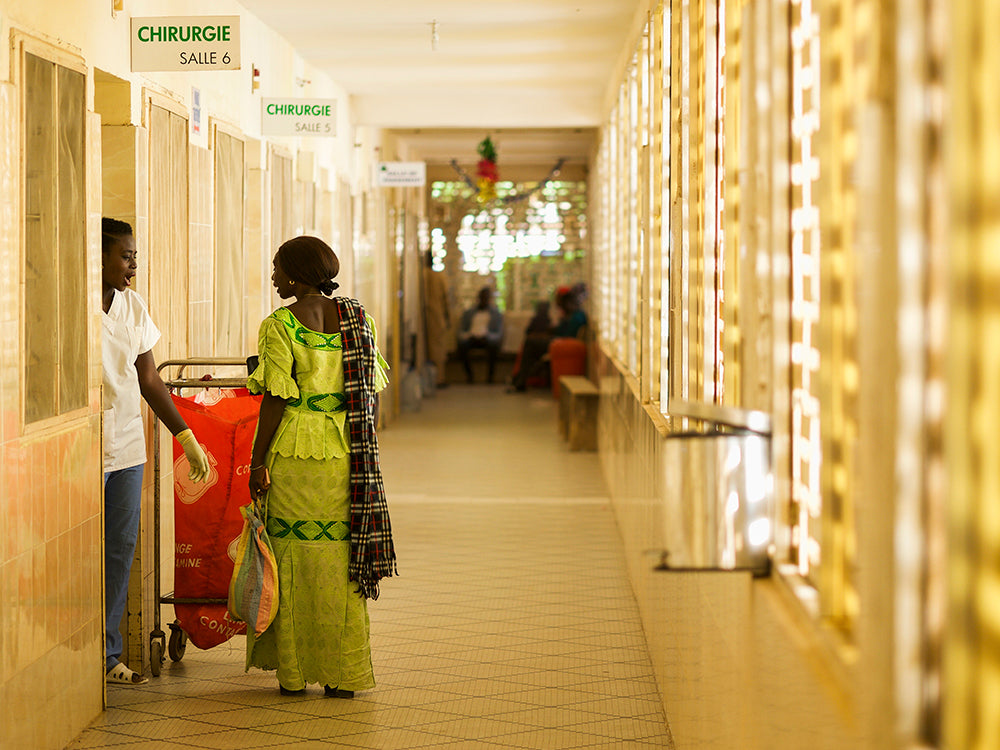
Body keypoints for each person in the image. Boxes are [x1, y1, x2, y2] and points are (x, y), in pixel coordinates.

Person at [246, 235, 397, 698]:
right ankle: (341, 673)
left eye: (276, 269)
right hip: (345, 454)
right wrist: (362, 448)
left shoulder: (280, 325)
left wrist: (255, 462)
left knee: (291, 558)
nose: (272, 277)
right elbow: (369, 394)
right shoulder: (359, 320)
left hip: (295, 450)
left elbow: (275, 398)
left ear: (295, 275)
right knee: (340, 561)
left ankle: (293, 674)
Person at [101, 218, 210, 685]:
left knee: (120, 551)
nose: (134, 265)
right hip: (80, 447)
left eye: (135, 255)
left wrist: (185, 436)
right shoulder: (71, 302)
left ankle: (107, 657)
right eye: (126, 256)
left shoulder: (132, 305)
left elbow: (149, 379)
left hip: (126, 446)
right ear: (98, 254)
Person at [509, 286, 588, 392]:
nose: (558, 305)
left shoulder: (577, 317)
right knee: (531, 343)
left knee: (530, 343)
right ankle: (519, 379)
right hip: (559, 342)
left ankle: (520, 380)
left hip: (562, 345)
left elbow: (566, 337)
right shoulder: (570, 315)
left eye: (560, 302)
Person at [456, 286, 504, 383]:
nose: (484, 300)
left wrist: (488, 337)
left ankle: (490, 377)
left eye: (486, 298)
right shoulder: (469, 313)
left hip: (488, 339)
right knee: (462, 347)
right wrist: (469, 336)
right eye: (482, 297)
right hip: (471, 338)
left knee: (493, 347)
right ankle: (470, 376)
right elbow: (461, 331)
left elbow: (499, 333)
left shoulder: (495, 314)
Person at [422, 252, 452, 388]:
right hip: (436, 315)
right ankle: (438, 379)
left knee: (427, 348)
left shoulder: (421, 275)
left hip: (425, 316)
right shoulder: (438, 277)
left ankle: (429, 379)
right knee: (438, 348)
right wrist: (447, 317)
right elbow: (446, 299)